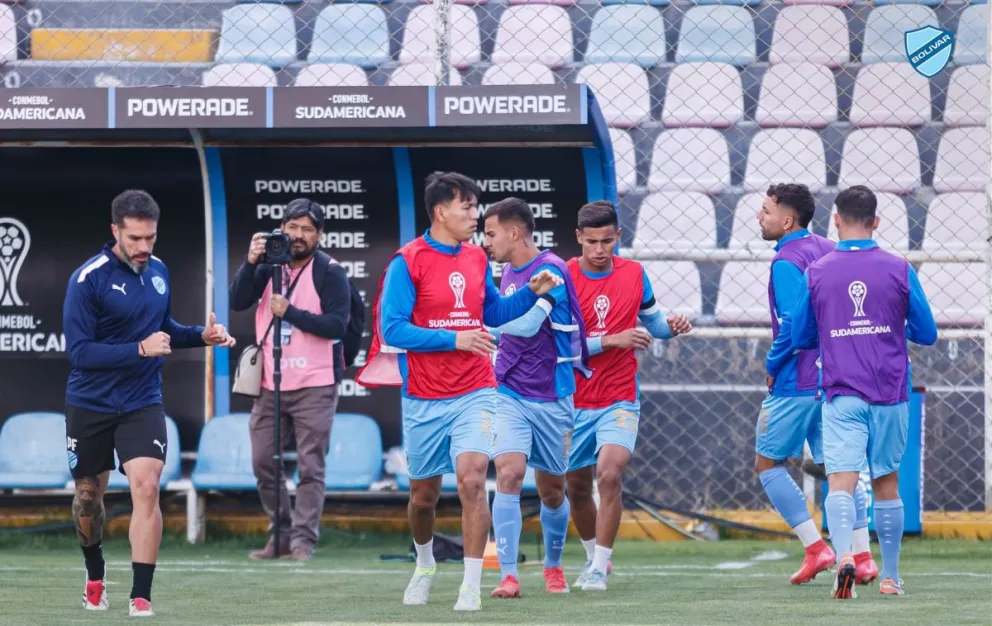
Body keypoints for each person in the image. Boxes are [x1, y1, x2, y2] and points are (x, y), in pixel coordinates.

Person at [356, 172, 561, 612]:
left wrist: (530, 293)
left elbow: (493, 311)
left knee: (471, 479)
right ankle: (426, 564)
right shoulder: (406, 261)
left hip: (476, 388)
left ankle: (469, 585)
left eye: (476, 206)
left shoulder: (476, 259)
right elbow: (392, 329)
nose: (475, 215)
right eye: (467, 206)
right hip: (424, 397)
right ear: (440, 212)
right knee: (422, 497)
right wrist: (456, 339)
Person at [63, 189, 235, 617]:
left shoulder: (158, 271)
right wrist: (139, 349)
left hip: (142, 400)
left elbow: (164, 329)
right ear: (115, 231)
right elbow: (80, 352)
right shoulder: (88, 279)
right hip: (91, 402)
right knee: (88, 498)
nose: (144, 248)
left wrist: (202, 336)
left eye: (150, 238)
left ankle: (141, 595)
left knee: (147, 484)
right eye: (135, 238)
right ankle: (95, 575)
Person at [790, 185, 937, 599]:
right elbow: (927, 333)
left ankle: (844, 559)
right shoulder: (899, 267)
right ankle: (890, 576)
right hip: (890, 390)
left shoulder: (816, 271)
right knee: (886, 482)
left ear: (835, 220)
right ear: (876, 222)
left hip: (841, 392)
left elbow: (800, 336)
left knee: (840, 482)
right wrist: (887, 327)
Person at [564, 201, 692, 592]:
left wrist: (673, 326)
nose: (600, 250)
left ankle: (600, 568)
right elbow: (560, 343)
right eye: (592, 242)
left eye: (607, 241)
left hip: (619, 396)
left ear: (618, 237)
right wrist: (611, 340)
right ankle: (592, 557)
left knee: (610, 474)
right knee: (576, 487)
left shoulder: (635, 274)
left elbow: (653, 324)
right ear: (579, 239)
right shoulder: (563, 276)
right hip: (572, 399)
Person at [759, 183, 881, 586]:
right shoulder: (829, 248)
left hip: (796, 379)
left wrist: (772, 363)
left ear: (787, 220)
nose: (760, 217)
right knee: (838, 467)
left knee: (768, 464)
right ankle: (863, 557)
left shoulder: (785, 262)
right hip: (833, 378)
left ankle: (816, 548)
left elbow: (794, 324)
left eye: (766, 211)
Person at [229, 198, 353, 561]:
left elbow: (337, 326)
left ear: (319, 235)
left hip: (316, 382)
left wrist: (292, 313)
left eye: (307, 229)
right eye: (292, 227)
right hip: (270, 381)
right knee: (263, 461)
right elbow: (238, 300)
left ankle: (302, 542)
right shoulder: (268, 265)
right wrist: (251, 262)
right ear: (280, 229)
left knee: (311, 465)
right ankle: (280, 535)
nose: (298, 236)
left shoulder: (330, 271)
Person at [481, 198, 592, 598]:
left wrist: (491, 327)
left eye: (491, 233)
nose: (486, 241)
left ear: (514, 232)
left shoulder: (552, 270)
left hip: (552, 393)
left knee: (552, 490)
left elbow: (526, 327)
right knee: (508, 472)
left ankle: (554, 566)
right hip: (508, 388)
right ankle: (509, 576)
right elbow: (502, 326)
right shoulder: (507, 270)